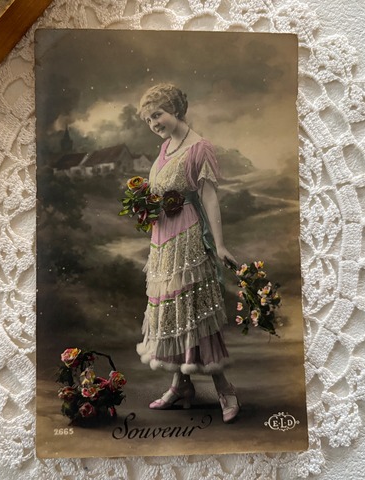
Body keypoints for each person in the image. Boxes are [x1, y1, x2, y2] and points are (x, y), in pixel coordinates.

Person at [135, 83, 240, 423]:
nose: (154, 123)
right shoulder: (165, 147)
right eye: (149, 119)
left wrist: (220, 245)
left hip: (189, 236)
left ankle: (224, 388)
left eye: (158, 115)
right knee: (170, 311)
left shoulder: (200, 148)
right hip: (163, 239)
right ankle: (180, 385)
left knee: (194, 310)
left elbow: (209, 197)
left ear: (176, 110)